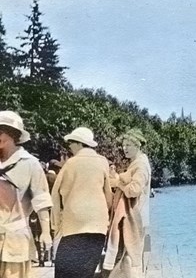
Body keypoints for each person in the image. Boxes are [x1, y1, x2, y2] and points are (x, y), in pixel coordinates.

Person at [51, 127, 112, 278]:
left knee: (64, 272)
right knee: (87, 272)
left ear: (79, 143)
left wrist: (56, 225)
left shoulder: (70, 164)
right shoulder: (102, 162)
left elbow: (55, 196)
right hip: (98, 226)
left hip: (74, 226)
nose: (70, 146)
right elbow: (108, 195)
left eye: (71, 143)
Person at [0, 110, 52, 278]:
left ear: (13, 135)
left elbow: (41, 199)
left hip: (15, 238)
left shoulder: (30, 164)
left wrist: (45, 232)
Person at [103, 128, 151, 277]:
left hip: (135, 217)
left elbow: (134, 189)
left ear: (138, 145)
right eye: (124, 145)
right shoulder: (136, 163)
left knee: (131, 256)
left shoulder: (140, 165)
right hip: (136, 215)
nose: (125, 148)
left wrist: (118, 183)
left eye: (129, 145)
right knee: (130, 255)